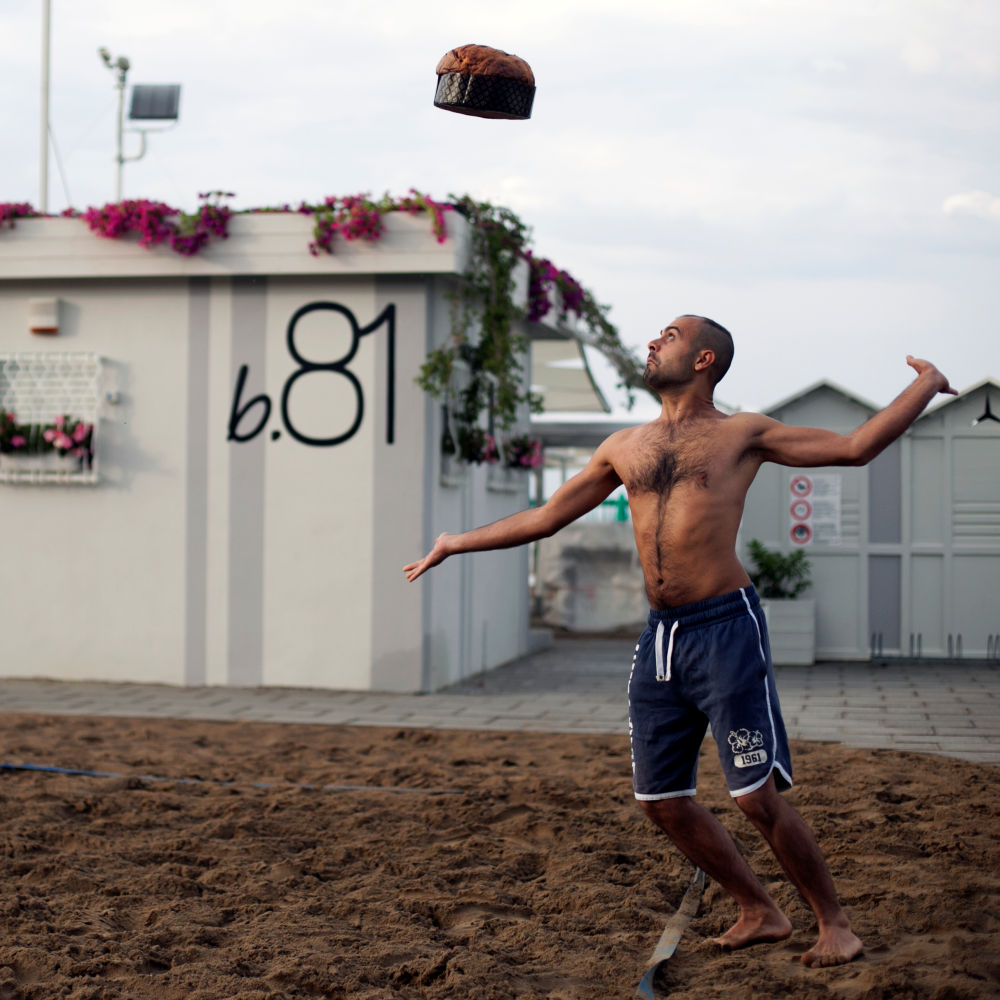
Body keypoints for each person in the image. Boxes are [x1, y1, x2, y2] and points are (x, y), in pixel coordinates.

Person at [403, 314, 956, 968]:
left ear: (704, 359)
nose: (652, 340)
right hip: (661, 638)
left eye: (668, 333)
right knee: (661, 799)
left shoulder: (741, 434)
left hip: (726, 627)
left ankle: (833, 923)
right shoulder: (623, 446)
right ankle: (759, 908)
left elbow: (856, 446)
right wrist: (453, 542)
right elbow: (548, 516)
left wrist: (926, 385)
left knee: (753, 794)